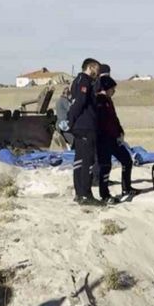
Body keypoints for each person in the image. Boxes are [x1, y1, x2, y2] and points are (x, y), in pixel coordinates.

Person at [95, 76, 135, 203]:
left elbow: (114, 119)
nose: (114, 91)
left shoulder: (109, 100)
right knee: (105, 166)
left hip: (114, 138)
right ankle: (104, 194)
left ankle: (126, 188)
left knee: (127, 161)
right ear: (106, 88)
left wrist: (120, 131)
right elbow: (102, 122)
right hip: (103, 139)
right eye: (113, 88)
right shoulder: (99, 101)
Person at [67, 57, 101, 205]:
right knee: (88, 161)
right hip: (85, 126)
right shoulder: (85, 81)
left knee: (79, 160)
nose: (98, 73)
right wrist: (71, 120)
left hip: (80, 127)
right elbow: (79, 103)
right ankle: (86, 194)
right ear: (91, 67)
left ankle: (79, 193)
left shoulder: (77, 80)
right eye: (97, 70)